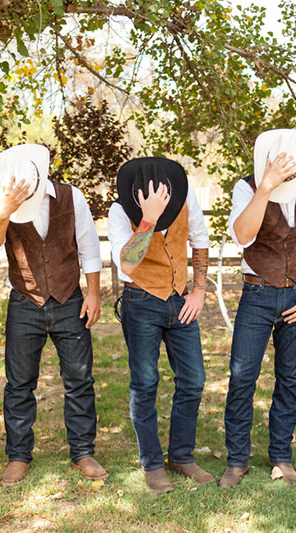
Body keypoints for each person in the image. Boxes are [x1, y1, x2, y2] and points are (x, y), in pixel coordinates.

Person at [0, 144, 107, 486]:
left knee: (80, 380)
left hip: (69, 299)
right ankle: (18, 457)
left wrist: (93, 293)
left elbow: (90, 247)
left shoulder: (71, 197)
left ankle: (83, 452)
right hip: (24, 300)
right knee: (19, 384)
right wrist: (3, 211)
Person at [220, 130, 296, 488]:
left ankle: (281, 457)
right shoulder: (247, 187)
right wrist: (265, 188)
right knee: (242, 377)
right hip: (257, 294)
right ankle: (237, 460)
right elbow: (242, 236)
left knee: (290, 378)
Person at [108, 157, 212, 493]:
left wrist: (199, 290)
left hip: (181, 299)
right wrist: (148, 219)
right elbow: (127, 263)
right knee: (145, 383)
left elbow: (200, 239)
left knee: (194, 379)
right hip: (140, 303)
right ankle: (152, 464)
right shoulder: (118, 212)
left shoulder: (185, 198)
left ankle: (181, 456)